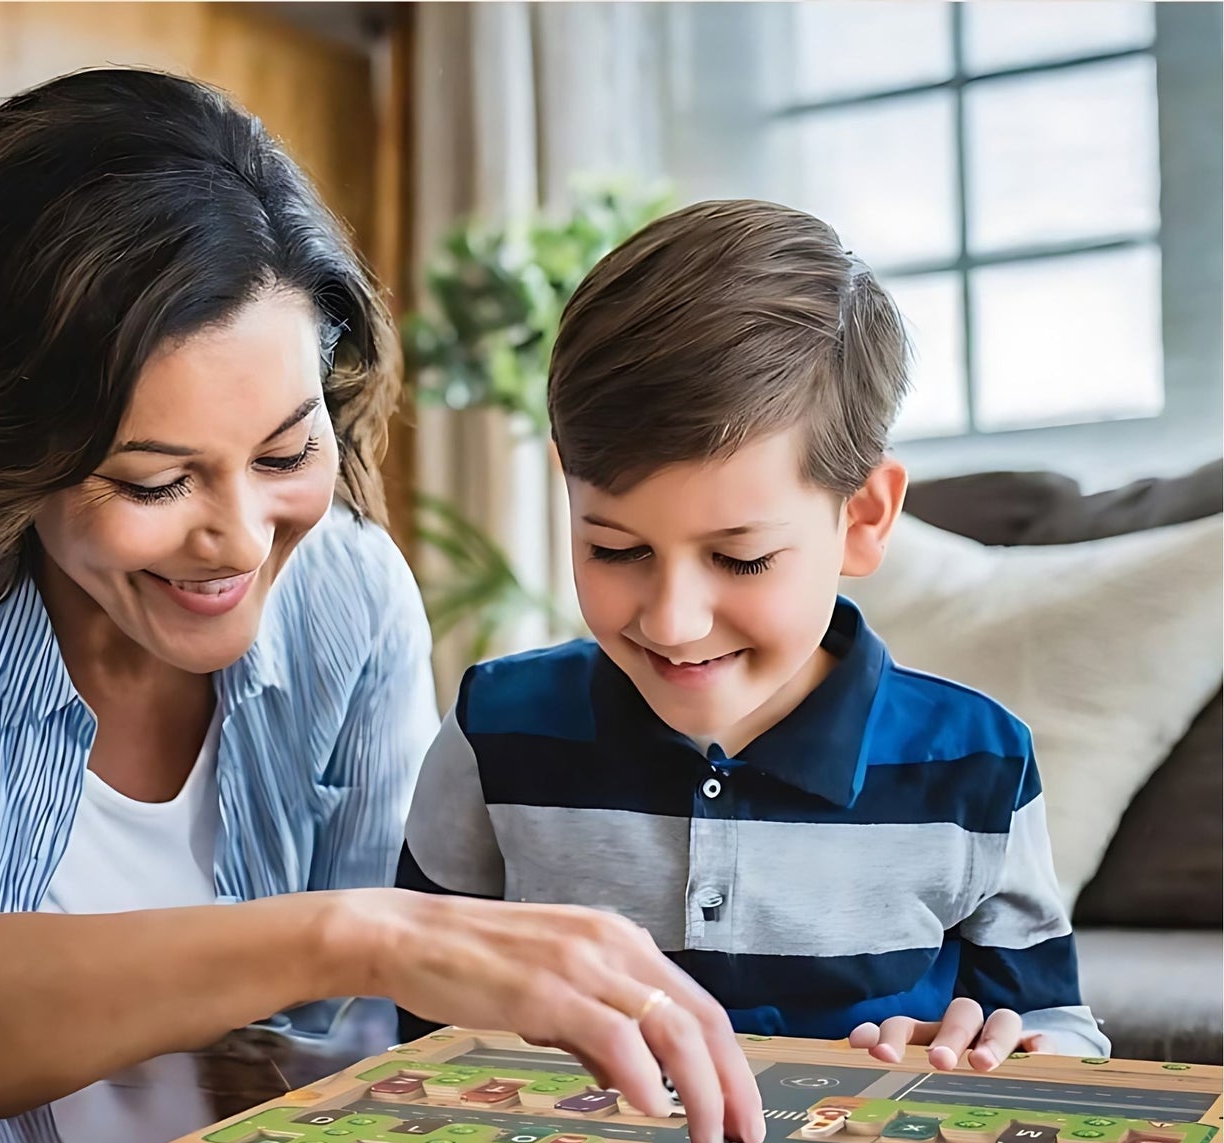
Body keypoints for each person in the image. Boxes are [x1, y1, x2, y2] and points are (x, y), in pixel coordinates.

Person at [0, 70, 766, 1143]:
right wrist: (353, 931)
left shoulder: (345, 594)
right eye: (156, 483)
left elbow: (356, 1053)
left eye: (287, 454)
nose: (244, 541)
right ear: (5, 455)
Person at [397, 199, 1107, 1068]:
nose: (671, 619)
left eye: (739, 560)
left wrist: (1011, 1051)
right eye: (614, 547)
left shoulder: (978, 766)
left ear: (863, 518)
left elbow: (1064, 1036)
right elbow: (413, 1005)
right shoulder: (494, 730)